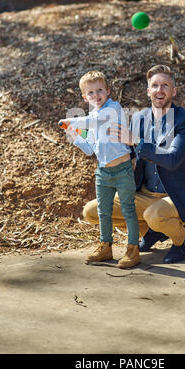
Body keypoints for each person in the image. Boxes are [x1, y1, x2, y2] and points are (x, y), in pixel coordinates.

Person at [83, 65, 185, 264]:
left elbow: (172, 160)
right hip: (143, 193)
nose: (159, 90)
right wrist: (88, 134)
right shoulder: (138, 118)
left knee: (154, 214)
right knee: (92, 211)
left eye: (165, 85)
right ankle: (152, 232)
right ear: (148, 91)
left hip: (172, 195)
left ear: (173, 91)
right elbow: (125, 153)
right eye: (154, 85)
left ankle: (181, 240)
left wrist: (137, 141)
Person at [59, 70, 140, 269]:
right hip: (103, 172)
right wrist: (73, 134)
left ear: (108, 91)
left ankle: (133, 249)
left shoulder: (113, 109)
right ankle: (106, 247)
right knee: (104, 212)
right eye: (91, 93)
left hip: (122, 170)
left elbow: (93, 121)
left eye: (100, 90)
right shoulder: (90, 118)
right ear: (84, 97)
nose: (96, 95)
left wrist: (72, 121)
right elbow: (88, 149)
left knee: (128, 209)